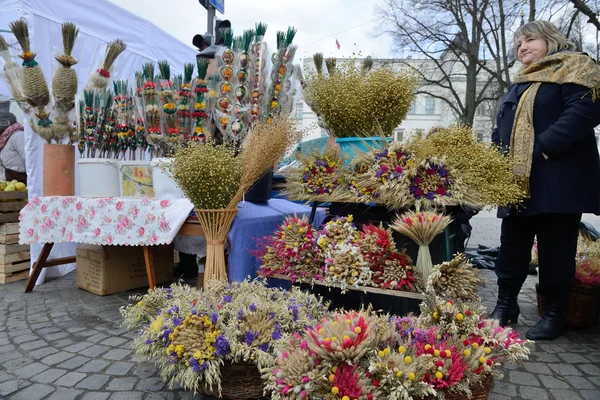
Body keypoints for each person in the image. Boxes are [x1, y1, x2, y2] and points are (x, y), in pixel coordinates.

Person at [490, 20, 600, 340]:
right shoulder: (521, 81)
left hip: (557, 178)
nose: (521, 47)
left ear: (550, 39)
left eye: (529, 39)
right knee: (511, 246)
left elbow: (583, 113)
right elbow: (503, 128)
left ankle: (554, 313)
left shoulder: (575, 67)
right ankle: (506, 303)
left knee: (555, 249)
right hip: (516, 180)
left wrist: (543, 147)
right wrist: (495, 159)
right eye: (518, 43)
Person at [0, 111, 26, 183]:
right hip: (11, 179)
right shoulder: (5, 137)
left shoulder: (18, 135)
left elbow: (28, 158)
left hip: (20, 179)